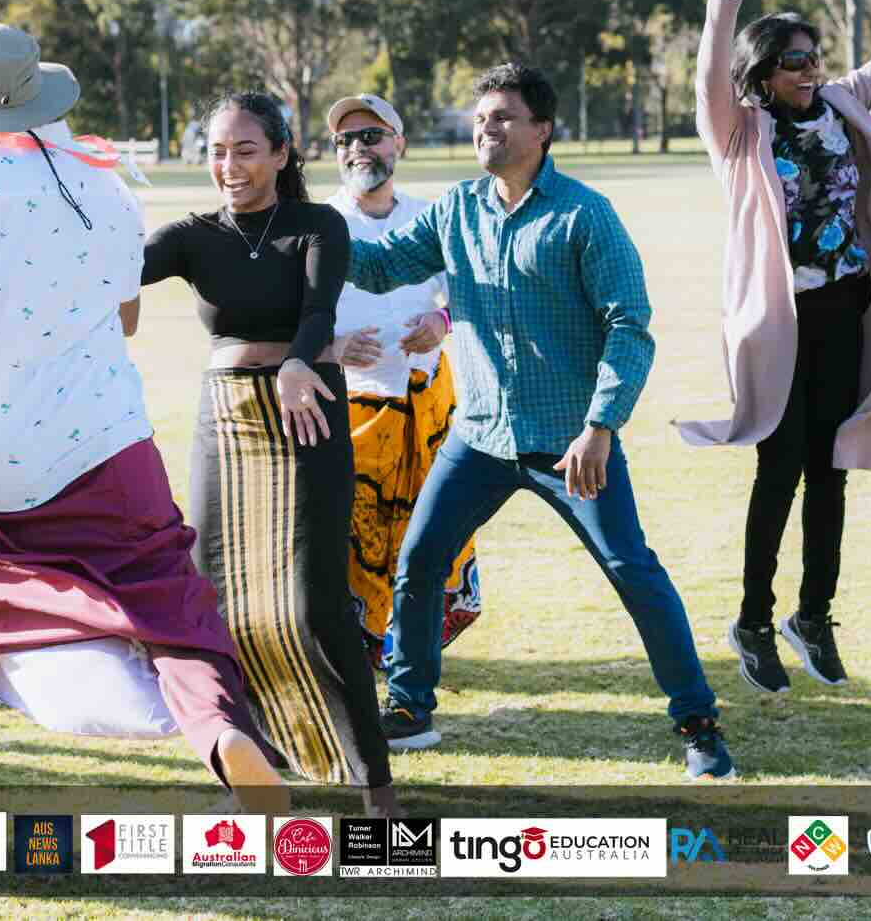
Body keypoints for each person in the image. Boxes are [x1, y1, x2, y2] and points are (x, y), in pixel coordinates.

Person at [0, 23, 284, 816]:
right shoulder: (107, 186)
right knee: (173, 607)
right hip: (110, 443)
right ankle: (220, 731)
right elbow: (126, 318)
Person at [352, 63, 737, 781]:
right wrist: (299, 225)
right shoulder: (457, 209)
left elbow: (631, 325)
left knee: (632, 569)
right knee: (420, 559)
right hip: (480, 435)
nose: (485, 128)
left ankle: (698, 721)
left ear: (542, 129)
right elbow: (377, 266)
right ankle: (408, 707)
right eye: (480, 117)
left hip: (572, 442)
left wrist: (602, 425)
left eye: (502, 117)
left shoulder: (585, 215)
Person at [680, 0, 871, 694]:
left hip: (845, 312)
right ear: (761, 73)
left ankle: (813, 613)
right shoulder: (740, 132)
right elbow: (705, 81)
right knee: (780, 466)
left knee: (834, 468)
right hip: (779, 322)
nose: (809, 69)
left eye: (813, 57)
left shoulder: (842, 103)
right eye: (793, 61)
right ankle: (754, 619)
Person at [142, 91, 396, 811]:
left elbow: (318, 311)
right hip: (226, 419)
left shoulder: (318, 224)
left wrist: (298, 363)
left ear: (282, 153)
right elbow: (116, 267)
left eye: (245, 150)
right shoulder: (194, 234)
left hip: (306, 411)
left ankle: (377, 789)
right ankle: (257, 769)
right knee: (216, 598)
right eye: (217, 151)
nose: (229, 165)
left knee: (315, 604)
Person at [323, 93, 481, 666]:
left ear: (399, 143)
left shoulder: (432, 218)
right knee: (354, 538)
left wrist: (440, 322)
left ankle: (412, 655)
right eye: (345, 140)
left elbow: (466, 295)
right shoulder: (320, 224)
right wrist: (333, 348)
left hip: (426, 408)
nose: (357, 149)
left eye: (370, 136)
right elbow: (282, 321)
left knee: (428, 533)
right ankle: (359, 652)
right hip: (351, 411)